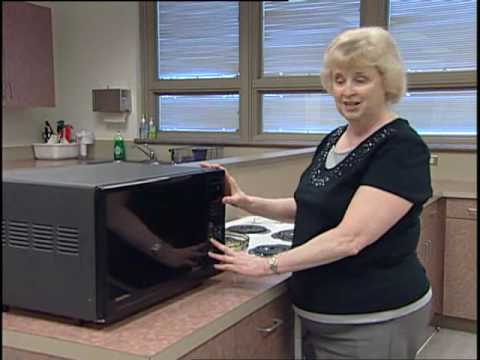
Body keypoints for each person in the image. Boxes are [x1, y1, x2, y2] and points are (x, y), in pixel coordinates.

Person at [202, 26, 433, 359]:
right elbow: (310, 206)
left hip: (372, 318)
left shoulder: (401, 148)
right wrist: (249, 202)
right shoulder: (335, 138)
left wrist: (267, 264)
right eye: (339, 80)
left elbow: (349, 237)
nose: (347, 91)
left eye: (360, 79)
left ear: (387, 81)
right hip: (320, 313)